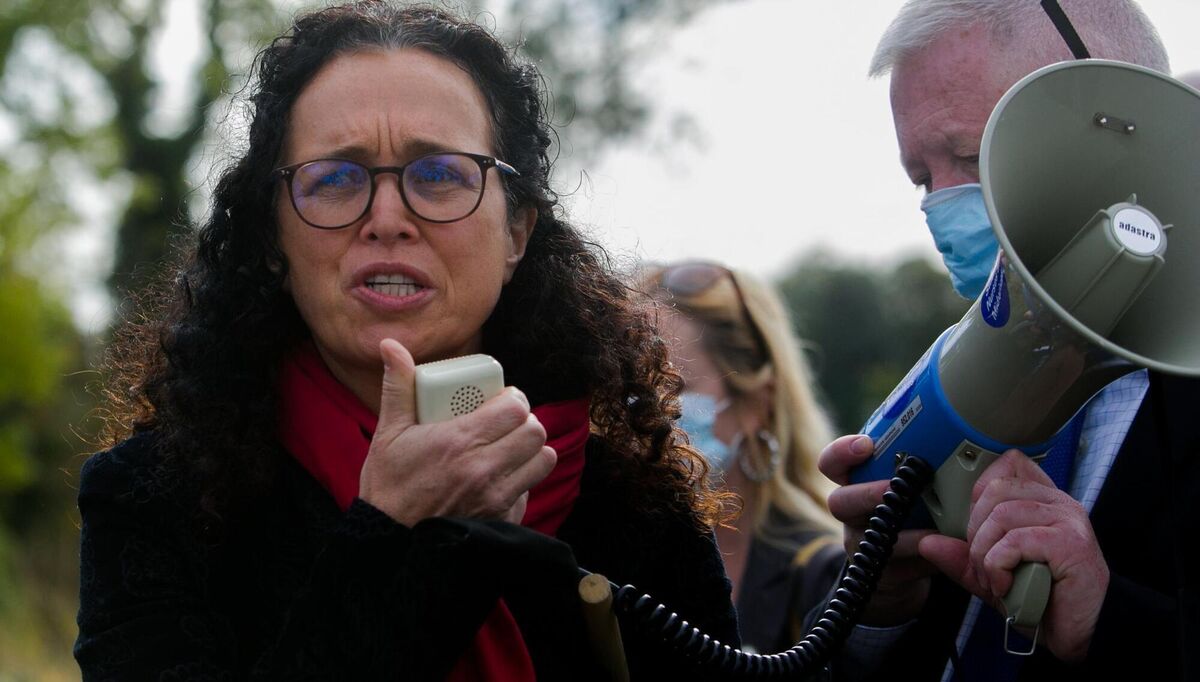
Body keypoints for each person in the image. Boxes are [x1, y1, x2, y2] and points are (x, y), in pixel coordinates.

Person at [74, 3, 740, 680]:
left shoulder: (636, 503)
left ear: (516, 233)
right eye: (335, 179)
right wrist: (391, 533)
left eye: (440, 174)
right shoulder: (154, 498)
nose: (387, 218)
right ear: (273, 240)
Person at [818, 1, 1199, 680]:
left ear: (1120, 115)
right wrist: (880, 603)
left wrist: (1106, 621)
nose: (940, 205)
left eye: (972, 155)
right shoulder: (962, 364)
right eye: (921, 179)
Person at [640, 261, 844, 654]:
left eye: (676, 387)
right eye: (636, 388)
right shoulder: (606, 561)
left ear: (755, 403)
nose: (648, 412)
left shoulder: (832, 577)